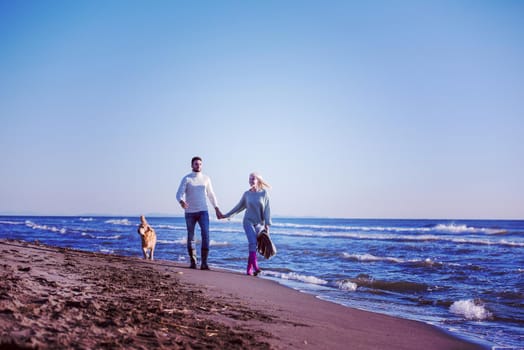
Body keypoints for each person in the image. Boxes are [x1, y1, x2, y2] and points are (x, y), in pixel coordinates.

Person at [220, 172, 271, 276]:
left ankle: (249, 269)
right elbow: (238, 207)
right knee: (252, 242)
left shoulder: (264, 193)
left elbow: (267, 210)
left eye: (253, 179)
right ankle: (256, 267)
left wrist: (267, 224)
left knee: (255, 245)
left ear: (258, 181)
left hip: (259, 223)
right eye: (250, 179)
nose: (251, 181)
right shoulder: (246, 194)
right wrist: (227, 215)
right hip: (248, 221)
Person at [176, 156, 221, 270]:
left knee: (206, 235)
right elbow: (178, 194)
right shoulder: (187, 179)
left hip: (203, 212)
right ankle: (193, 262)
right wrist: (181, 201)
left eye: (200, 164)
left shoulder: (206, 179)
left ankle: (204, 263)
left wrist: (216, 208)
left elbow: (211, 194)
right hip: (190, 212)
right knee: (191, 237)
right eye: (196, 164)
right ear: (192, 165)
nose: (198, 166)